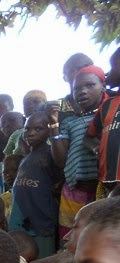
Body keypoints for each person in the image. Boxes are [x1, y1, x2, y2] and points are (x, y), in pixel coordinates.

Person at [49, 65, 106, 237]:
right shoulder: (69, 122)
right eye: (77, 88)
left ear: (103, 86)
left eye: (89, 85)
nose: (82, 91)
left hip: (103, 191)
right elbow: (60, 160)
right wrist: (53, 123)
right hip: (74, 193)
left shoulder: (111, 114)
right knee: (70, 242)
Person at [9, 111, 63, 257]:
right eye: (27, 129)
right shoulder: (26, 159)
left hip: (41, 225)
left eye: (38, 129)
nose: (30, 133)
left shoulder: (50, 154)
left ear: (48, 131)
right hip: (20, 225)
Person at [87, 47, 120, 195]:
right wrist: (96, 149)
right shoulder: (107, 105)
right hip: (108, 183)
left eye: (113, 66)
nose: (108, 73)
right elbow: (89, 136)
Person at [3, 90, 47, 156]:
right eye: (26, 104)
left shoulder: (53, 128)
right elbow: (7, 160)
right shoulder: (16, 135)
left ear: (45, 104)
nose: (30, 106)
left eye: (36, 102)